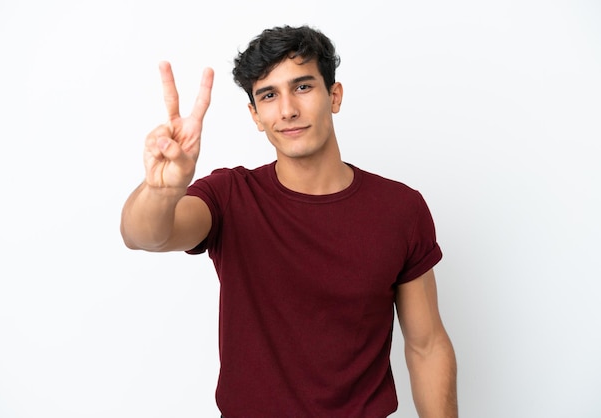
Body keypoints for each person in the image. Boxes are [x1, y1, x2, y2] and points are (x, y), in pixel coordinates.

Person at [121, 25, 457, 418]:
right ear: (255, 115)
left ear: (334, 95)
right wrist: (162, 190)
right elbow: (146, 235)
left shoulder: (400, 208)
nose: (287, 110)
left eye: (302, 87)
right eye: (268, 95)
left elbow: (426, 345)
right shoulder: (231, 196)